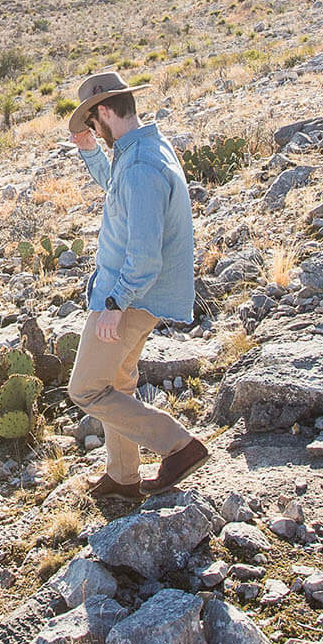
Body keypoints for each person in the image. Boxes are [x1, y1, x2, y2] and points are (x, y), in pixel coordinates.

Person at [64, 71, 208, 500]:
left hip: (128, 298)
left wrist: (115, 302)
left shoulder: (141, 165)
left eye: (93, 124)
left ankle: (179, 446)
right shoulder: (141, 149)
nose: (94, 131)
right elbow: (117, 188)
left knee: (88, 388)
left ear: (104, 111)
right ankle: (123, 477)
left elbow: (145, 255)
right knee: (119, 385)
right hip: (130, 296)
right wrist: (91, 152)